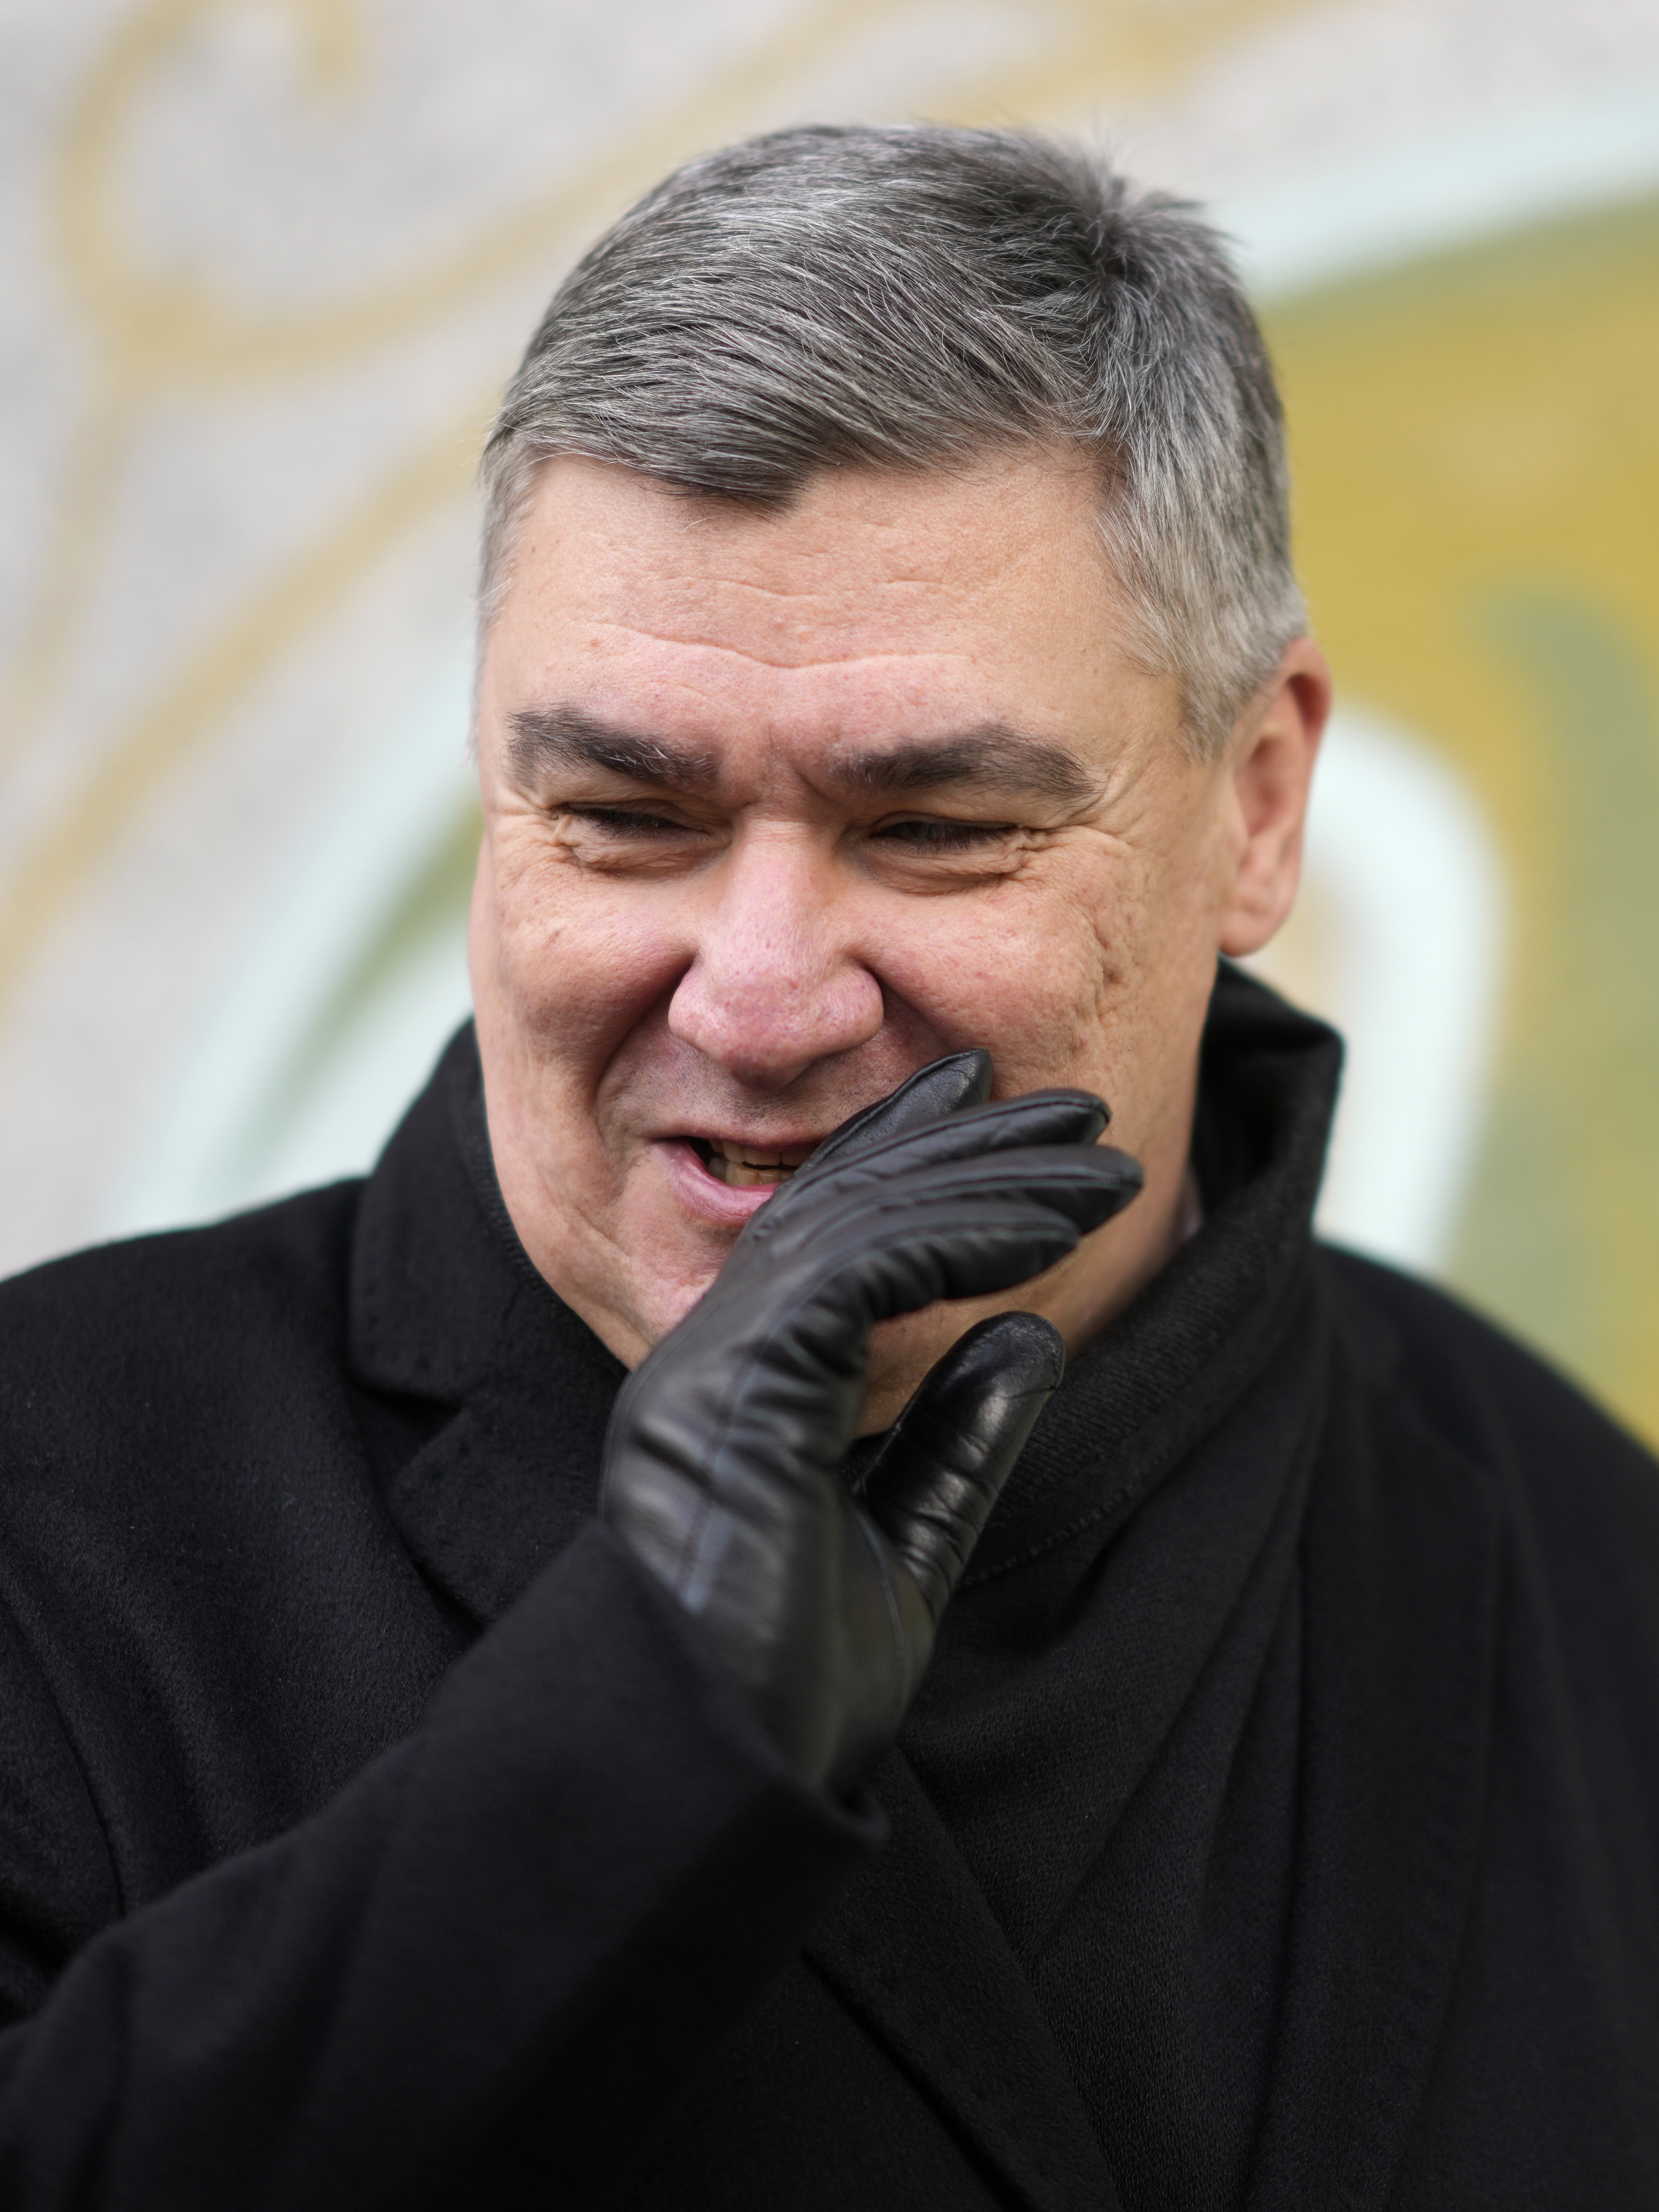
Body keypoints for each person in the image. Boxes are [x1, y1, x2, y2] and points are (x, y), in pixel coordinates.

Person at [0, 123, 1655, 2212]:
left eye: (939, 826)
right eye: (625, 810)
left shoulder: (1589, 1564)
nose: (761, 999)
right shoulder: (53, 1514)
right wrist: (623, 1740)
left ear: (1254, 806)